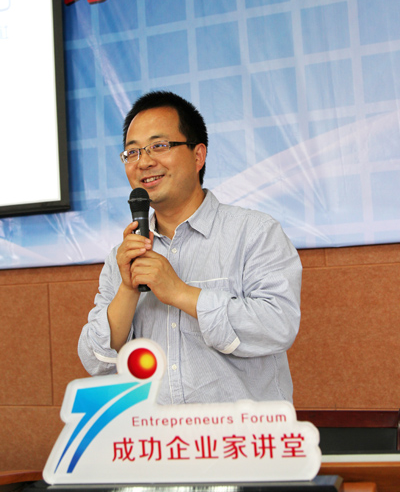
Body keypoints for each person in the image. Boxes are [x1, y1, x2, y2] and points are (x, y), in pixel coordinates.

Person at [78, 91, 302, 404]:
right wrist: (128, 290)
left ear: (198, 155)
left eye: (159, 146)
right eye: (132, 152)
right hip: (156, 434)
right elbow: (97, 361)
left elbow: (278, 326)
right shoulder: (123, 256)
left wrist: (181, 293)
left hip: (240, 434)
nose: (144, 162)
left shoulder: (254, 233)